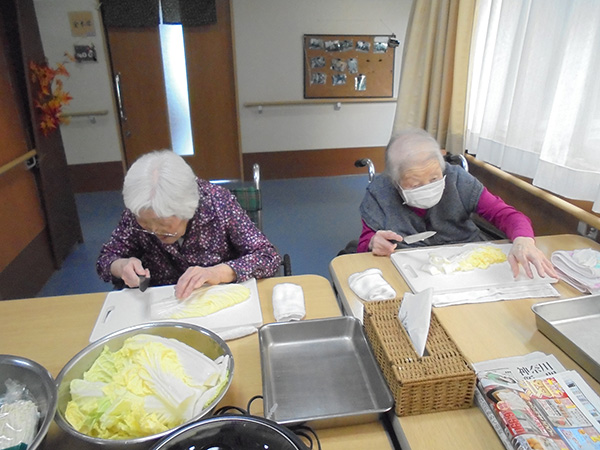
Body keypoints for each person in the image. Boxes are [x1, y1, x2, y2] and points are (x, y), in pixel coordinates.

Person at [358, 129, 557, 279]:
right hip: (412, 270)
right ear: (394, 181)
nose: (427, 186)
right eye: (416, 184)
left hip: (466, 262)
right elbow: (365, 244)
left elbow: (506, 215)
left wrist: (524, 240)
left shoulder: (457, 179)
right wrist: (373, 243)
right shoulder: (379, 192)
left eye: (435, 178)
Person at [97, 150, 282, 299]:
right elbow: (106, 258)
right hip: (158, 304)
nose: (153, 230)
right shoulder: (140, 208)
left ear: (189, 208)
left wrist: (218, 273)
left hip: (216, 299)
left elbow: (267, 256)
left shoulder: (218, 203)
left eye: (162, 224)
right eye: (145, 223)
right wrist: (122, 266)